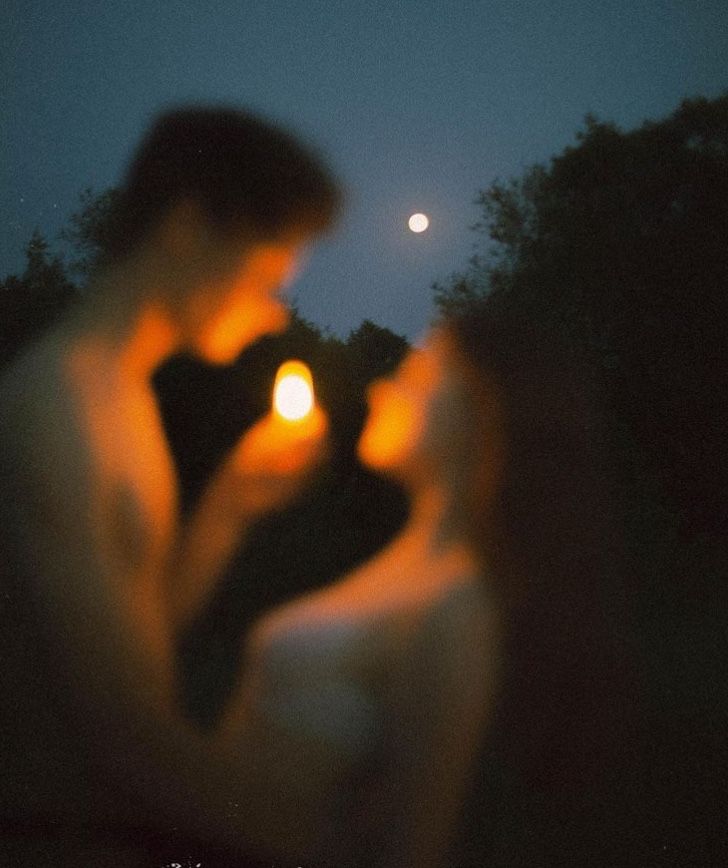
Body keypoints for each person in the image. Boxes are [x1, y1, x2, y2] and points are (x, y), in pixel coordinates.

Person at [0, 106, 340, 865]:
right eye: (263, 275)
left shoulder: (123, 404)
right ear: (186, 229)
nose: (271, 312)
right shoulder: (53, 409)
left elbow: (142, 652)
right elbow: (123, 743)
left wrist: (226, 509)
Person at [221, 293, 647, 867]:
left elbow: (412, 846)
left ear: (479, 414)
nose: (380, 388)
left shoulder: (457, 606)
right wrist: (231, 508)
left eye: (417, 375)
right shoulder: (398, 568)